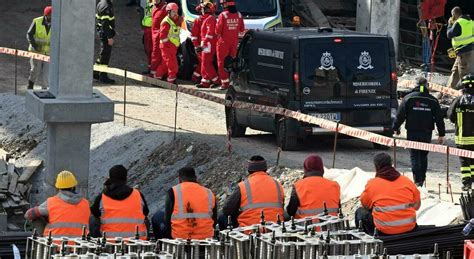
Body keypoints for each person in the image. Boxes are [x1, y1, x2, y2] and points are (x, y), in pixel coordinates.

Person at [393, 77, 445, 187]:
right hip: (426, 133)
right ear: (427, 86)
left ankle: (418, 181)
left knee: (415, 155)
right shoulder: (432, 100)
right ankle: (422, 179)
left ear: (414, 85)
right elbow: (439, 118)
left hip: (412, 132)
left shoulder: (408, 98)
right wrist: (441, 134)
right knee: (423, 156)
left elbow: (400, 116)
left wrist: (395, 128)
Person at [355, 153, 421, 235]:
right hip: (409, 227)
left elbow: (366, 205)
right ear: (391, 164)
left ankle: (368, 241)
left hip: (384, 231)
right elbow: (417, 206)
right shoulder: (407, 181)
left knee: (360, 212)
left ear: (377, 167)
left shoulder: (373, 184)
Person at [151, 167, 217, 239]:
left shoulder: (173, 191)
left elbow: (167, 219)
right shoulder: (209, 193)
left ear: (179, 179)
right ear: (195, 178)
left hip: (180, 238)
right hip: (206, 238)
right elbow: (214, 219)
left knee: (158, 216)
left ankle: (160, 246)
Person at [222, 155, 284, 228]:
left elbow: (227, 210)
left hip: (250, 230)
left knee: (222, 218)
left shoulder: (243, 185)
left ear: (249, 170)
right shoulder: (277, 184)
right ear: (265, 169)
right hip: (276, 229)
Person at [90, 165, 149, 239]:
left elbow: (94, 212)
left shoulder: (102, 197)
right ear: (126, 178)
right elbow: (146, 212)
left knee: (93, 218)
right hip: (137, 244)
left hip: (110, 243)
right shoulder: (138, 195)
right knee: (145, 218)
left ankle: (97, 243)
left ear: (110, 179)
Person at [25, 171, 90, 237]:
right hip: (79, 245)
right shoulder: (86, 204)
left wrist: (46, 218)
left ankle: (43, 237)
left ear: (58, 188)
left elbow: (28, 215)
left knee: (37, 216)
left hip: (54, 244)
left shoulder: (51, 202)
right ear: (74, 187)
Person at [286, 155, 340, 219]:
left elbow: (291, 211)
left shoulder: (299, 186)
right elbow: (338, 208)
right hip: (331, 226)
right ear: (322, 169)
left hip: (306, 227)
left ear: (305, 169)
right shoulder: (334, 185)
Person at [448, 74, 474, 191]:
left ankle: (466, 184)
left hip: (462, 138)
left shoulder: (458, 100)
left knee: (465, 163)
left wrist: (458, 123)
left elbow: (450, 115)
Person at [215, 0, 245, 90]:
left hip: (223, 43)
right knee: (232, 63)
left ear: (225, 4)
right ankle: (232, 82)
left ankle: (224, 83)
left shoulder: (222, 15)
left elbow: (217, 31)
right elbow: (242, 29)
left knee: (221, 63)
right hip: (234, 43)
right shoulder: (239, 15)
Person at [446, 6, 474, 89]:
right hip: (468, 50)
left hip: (464, 52)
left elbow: (449, 35)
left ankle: (468, 93)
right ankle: (449, 89)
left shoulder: (459, 23)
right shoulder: (471, 22)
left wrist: (450, 24)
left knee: (465, 74)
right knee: (455, 71)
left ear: (454, 14)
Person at [155, 3, 183, 84]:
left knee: (164, 63)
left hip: (172, 47)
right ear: (168, 12)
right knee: (173, 64)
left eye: (176, 11)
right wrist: (170, 45)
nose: (175, 13)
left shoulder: (175, 19)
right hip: (167, 46)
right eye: (173, 12)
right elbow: (163, 37)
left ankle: (157, 77)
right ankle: (171, 79)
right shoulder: (166, 22)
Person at [196, 1, 220, 88]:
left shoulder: (210, 19)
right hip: (206, 44)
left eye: (202, 9)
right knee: (204, 63)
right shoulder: (209, 18)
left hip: (208, 44)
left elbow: (209, 34)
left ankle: (216, 80)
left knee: (206, 63)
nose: (201, 10)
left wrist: (203, 45)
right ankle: (205, 82)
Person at [27, 6, 52, 90]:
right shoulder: (36, 21)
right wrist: (35, 46)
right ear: (46, 15)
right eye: (50, 15)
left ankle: (45, 89)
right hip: (36, 51)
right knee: (35, 70)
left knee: (47, 72)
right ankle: (30, 85)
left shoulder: (57, 22)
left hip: (48, 52)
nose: (51, 17)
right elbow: (29, 34)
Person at [94, 0, 116, 84]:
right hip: (105, 34)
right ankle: (103, 76)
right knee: (105, 55)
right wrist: (109, 37)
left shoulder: (101, 3)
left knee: (102, 54)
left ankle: (95, 71)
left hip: (102, 33)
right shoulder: (106, 6)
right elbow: (105, 24)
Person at [150, 0, 167, 77]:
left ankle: (156, 73)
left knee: (157, 54)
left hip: (159, 35)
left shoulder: (165, 8)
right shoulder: (154, 6)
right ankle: (154, 72)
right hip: (154, 34)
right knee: (153, 53)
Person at [190, 2, 205, 84]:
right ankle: (196, 77)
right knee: (204, 62)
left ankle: (196, 77)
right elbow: (194, 35)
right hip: (200, 46)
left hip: (207, 46)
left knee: (204, 62)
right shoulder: (198, 20)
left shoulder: (211, 19)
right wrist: (196, 46)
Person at [141, 0, 154, 74]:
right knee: (147, 49)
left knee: (150, 50)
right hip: (147, 28)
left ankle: (152, 68)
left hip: (151, 29)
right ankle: (150, 67)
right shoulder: (148, 2)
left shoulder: (155, 3)